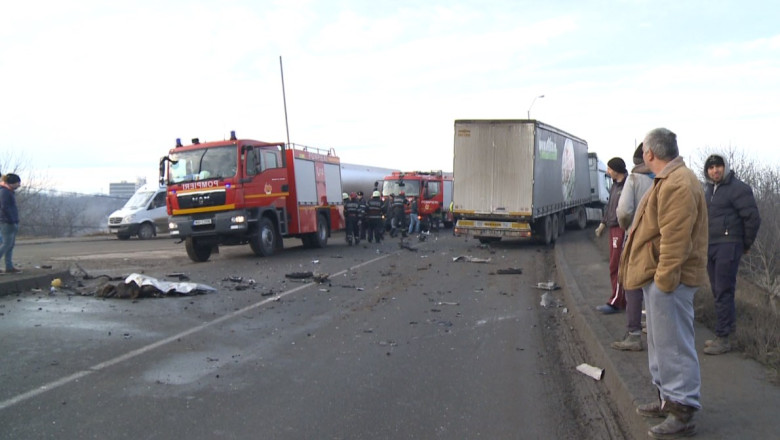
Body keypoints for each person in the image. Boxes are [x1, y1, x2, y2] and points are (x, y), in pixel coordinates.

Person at [619, 128, 707, 439]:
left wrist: (664, 281)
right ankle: (666, 399)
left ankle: (682, 411)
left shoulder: (679, 184)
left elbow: (676, 240)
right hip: (661, 279)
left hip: (671, 280)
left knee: (674, 348)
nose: (643, 153)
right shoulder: (668, 180)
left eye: (644, 149)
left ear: (650, 153)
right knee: (660, 345)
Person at [702, 153, 761, 355]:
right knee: (718, 290)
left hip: (729, 244)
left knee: (724, 289)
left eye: (718, 166)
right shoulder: (708, 190)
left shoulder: (738, 189)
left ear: (725, 167)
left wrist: (745, 243)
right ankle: (726, 333)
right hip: (711, 244)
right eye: (711, 167)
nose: (715, 170)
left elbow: (753, 218)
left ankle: (724, 338)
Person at [611, 144, 654, 351]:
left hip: (637, 238)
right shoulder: (666, 178)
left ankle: (634, 334)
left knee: (633, 284)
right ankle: (654, 328)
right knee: (655, 285)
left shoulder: (634, 179)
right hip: (662, 241)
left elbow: (624, 211)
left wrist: (626, 227)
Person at [595, 157, 628, 314]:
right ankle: (620, 298)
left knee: (617, 265)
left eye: (609, 169)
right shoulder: (615, 186)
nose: (607, 172)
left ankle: (616, 302)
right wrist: (603, 223)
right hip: (612, 228)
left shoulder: (628, 185)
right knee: (614, 264)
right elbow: (610, 207)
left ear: (616, 170)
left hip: (621, 229)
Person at [0, 173, 22, 274]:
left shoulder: (8, 191)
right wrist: (11, 219)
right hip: (7, 222)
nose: (19, 185)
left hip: (11, 221)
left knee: (10, 245)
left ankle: (9, 266)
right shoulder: (5, 192)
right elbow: (4, 207)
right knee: (6, 244)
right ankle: (8, 266)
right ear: (12, 183)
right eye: (18, 183)